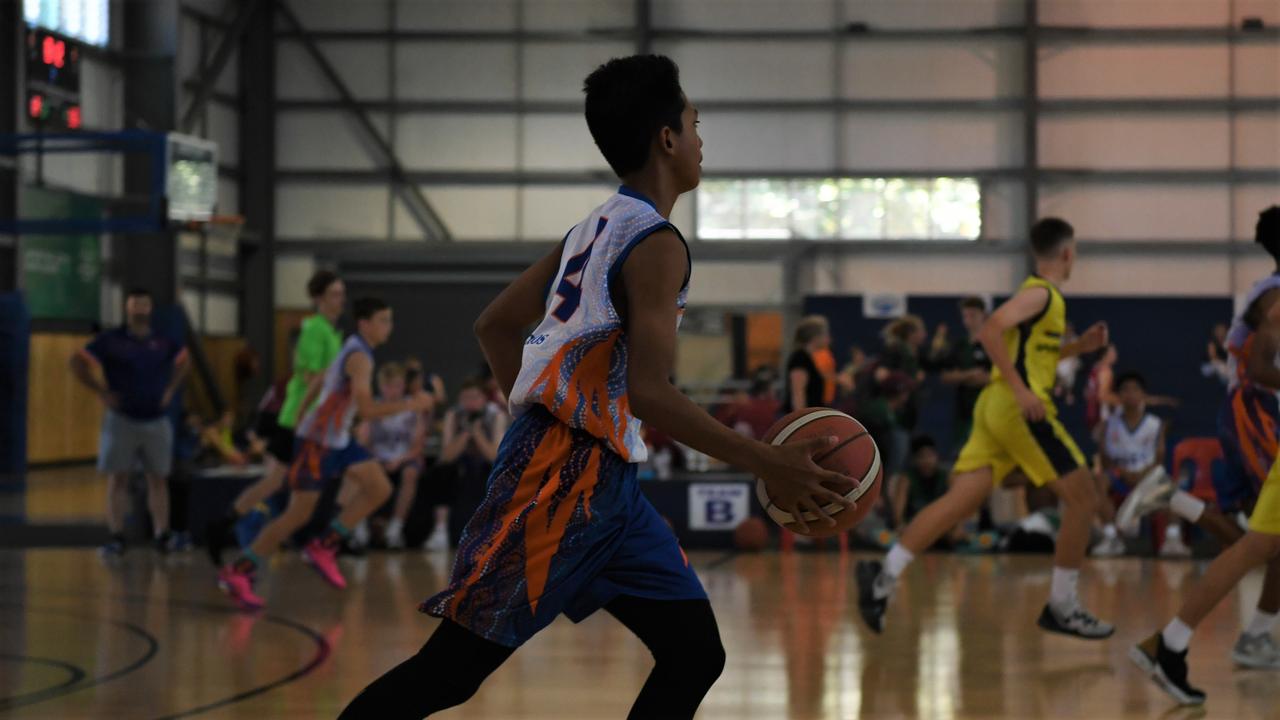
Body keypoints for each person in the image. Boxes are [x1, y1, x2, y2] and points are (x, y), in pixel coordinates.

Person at [339, 54, 852, 720]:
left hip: (606, 485)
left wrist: (536, 416)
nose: (702, 140)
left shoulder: (596, 226)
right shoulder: (659, 243)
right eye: (696, 124)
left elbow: (496, 327)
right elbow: (648, 392)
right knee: (449, 674)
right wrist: (767, 460)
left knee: (695, 651)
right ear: (667, 138)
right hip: (561, 478)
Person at [856, 217, 1116, 640]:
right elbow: (991, 331)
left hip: (995, 409)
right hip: (1018, 410)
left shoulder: (1040, 298)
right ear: (1067, 253)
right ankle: (1063, 605)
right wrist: (1020, 391)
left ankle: (882, 577)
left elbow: (1033, 353)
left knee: (959, 503)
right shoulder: (1041, 294)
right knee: (1085, 498)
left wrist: (1079, 347)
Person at [1132, 208, 1280, 703]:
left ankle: (1178, 642)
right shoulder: (1275, 298)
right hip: (1255, 411)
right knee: (1259, 544)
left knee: (1259, 543)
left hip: (1257, 411)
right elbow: (1260, 368)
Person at [217, 298, 433, 610]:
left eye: (389, 320)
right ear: (365, 323)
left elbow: (319, 383)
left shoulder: (353, 347)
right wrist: (412, 405)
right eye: (384, 320)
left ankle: (325, 544)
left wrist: (301, 417)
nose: (389, 327)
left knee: (379, 488)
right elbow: (369, 409)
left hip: (337, 440)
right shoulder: (360, 357)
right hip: (318, 443)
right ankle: (237, 571)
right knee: (297, 514)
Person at [204, 270, 346, 565]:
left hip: (317, 422)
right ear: (318, 298)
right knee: (281, 481)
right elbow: (309, 376)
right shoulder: (314, 329)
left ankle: (223, 527)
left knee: (277, 480)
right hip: (300, 419)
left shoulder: (333, 332)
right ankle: (235, 533)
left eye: (342, 293)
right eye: (334, 293)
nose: (340, 299)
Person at [70, 288, 189, 557]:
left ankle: (162, 534)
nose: (140, 310)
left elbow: (184, 361)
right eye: (135, 305)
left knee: (158, 479)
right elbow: (77, 362)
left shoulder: (163, 341)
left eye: (144, 305)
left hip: (156, 421)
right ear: (127, 308)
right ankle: (116, 536)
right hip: (121, 420)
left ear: (150, 309)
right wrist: (100, 390)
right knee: (118, 479)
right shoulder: (110, 340)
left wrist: (171, 389)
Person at [1089, 372, 1177, 558]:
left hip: (1146, 476)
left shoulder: (1155, 424)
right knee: (1097, 480)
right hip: (1119, 477)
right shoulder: (1108, 425)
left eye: (1135, 389)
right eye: (1125, 390)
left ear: (1144, 395)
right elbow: (1105, 462)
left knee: (1169, 483)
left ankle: (1172, 540)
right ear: (1118, 396)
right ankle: (1111, 537)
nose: (1130, 394)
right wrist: (1122, 472)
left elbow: (1159, 460)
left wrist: (1143, 474)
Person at [433, 378, 509, 550]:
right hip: (461, 466)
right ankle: (440, 530)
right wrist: (466, 433)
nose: (470, 402)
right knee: (441, 471)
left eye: (474, 397)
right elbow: (446, 456)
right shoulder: (454, 414)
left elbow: (494, 456)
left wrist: (477, 433)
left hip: (485, 466)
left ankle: (497, 532)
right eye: (466, 398)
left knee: (499, 474)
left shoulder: (496, 415)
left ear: (484, 399)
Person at [364, 362, 426, 550]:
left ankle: (395, 527)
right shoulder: (372, 408)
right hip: (377, 457)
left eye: (397, 385)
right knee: (360, 471)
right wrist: (376, 459)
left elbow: (418, 445)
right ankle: (359, 526)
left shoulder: (413, 409)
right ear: (381, 386)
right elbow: (363, 441)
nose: (393, 391)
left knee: (410, 473)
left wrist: (399, 459)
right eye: (388, 386)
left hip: (404, 458)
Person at [934, 297, 992, 447]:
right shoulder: (959, 345)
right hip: (964, 410)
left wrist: (961, 376)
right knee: (962, 449)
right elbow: (945, 376)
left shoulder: (992, 344)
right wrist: (969, 375)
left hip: (988, 408)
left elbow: (994, 377)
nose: (968, 320)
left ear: (983, 315)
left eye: (972, 315)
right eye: (965, 316)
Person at [890, 435, 951, 532]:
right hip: (913, 528)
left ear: (937, 456)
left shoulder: (946, 477)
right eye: (922, 456)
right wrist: (900, 525)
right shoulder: (907, 478)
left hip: (940, 529)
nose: (927, 461)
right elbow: (898, 514)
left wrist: (957, 527)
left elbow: (956, 506)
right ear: (914, 459)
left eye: (930, 455)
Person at [784, 315, 832, 413]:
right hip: (803, 418)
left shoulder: (810, 358)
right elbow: (798, 393)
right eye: (825, 334)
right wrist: (802, 421)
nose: (828, 338)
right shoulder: (800, 358)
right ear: (815, 337)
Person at [1084, 343, 1119, 439]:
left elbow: (1086, 392)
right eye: (1113, 352)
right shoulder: (1106, 371)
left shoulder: (1095, 368)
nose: (1116, 354)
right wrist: (1122, 401)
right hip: (1102, 417)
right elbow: (1102, 396)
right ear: (1105, 355)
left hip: (1092, 415)